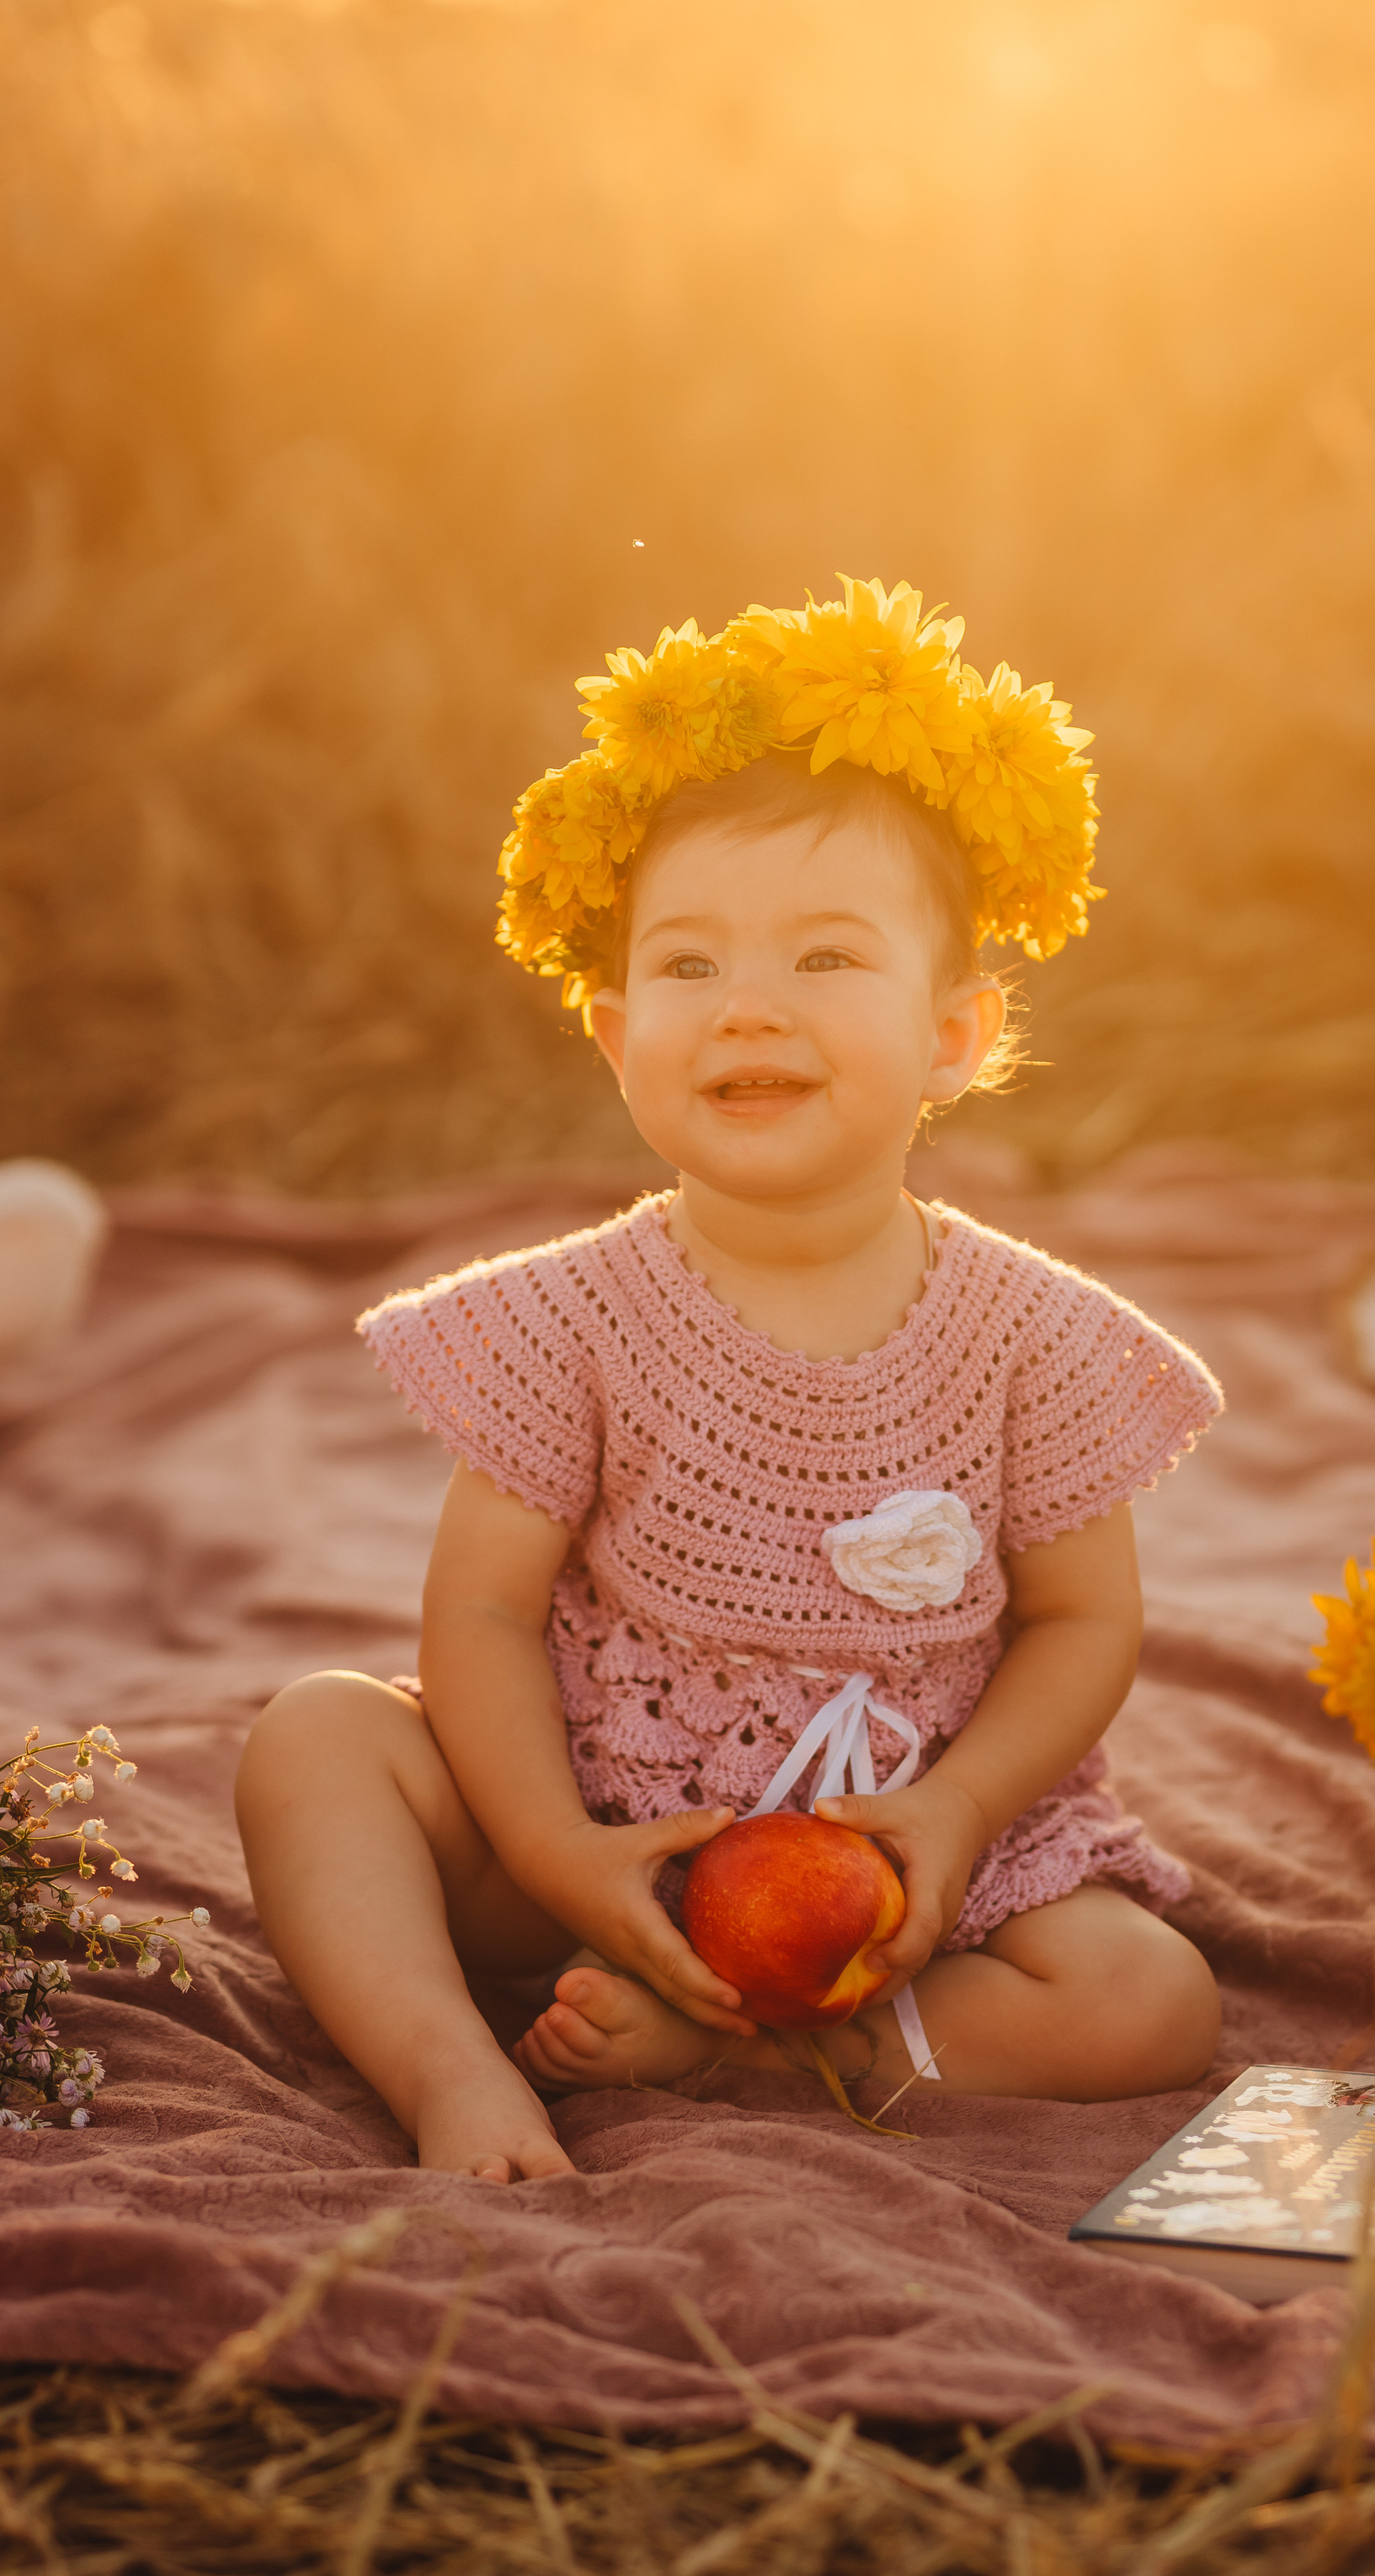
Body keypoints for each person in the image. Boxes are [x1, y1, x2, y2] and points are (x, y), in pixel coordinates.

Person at [237, 579, 1224, 2182]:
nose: (747, 1004)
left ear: (958, 1032)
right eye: (688, 969)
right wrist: (560, 1855)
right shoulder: (573, 1317)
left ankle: (751, 2046)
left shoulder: (1032, 1335)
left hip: (897, 1858)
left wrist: (963, 1814)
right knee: (314, 1743)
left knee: (1145, 2000)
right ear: (618, 1035)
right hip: (602, 1829)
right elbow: (481, 1613)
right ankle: (447, 2074)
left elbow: (1080, 1621)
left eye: (825, 957)